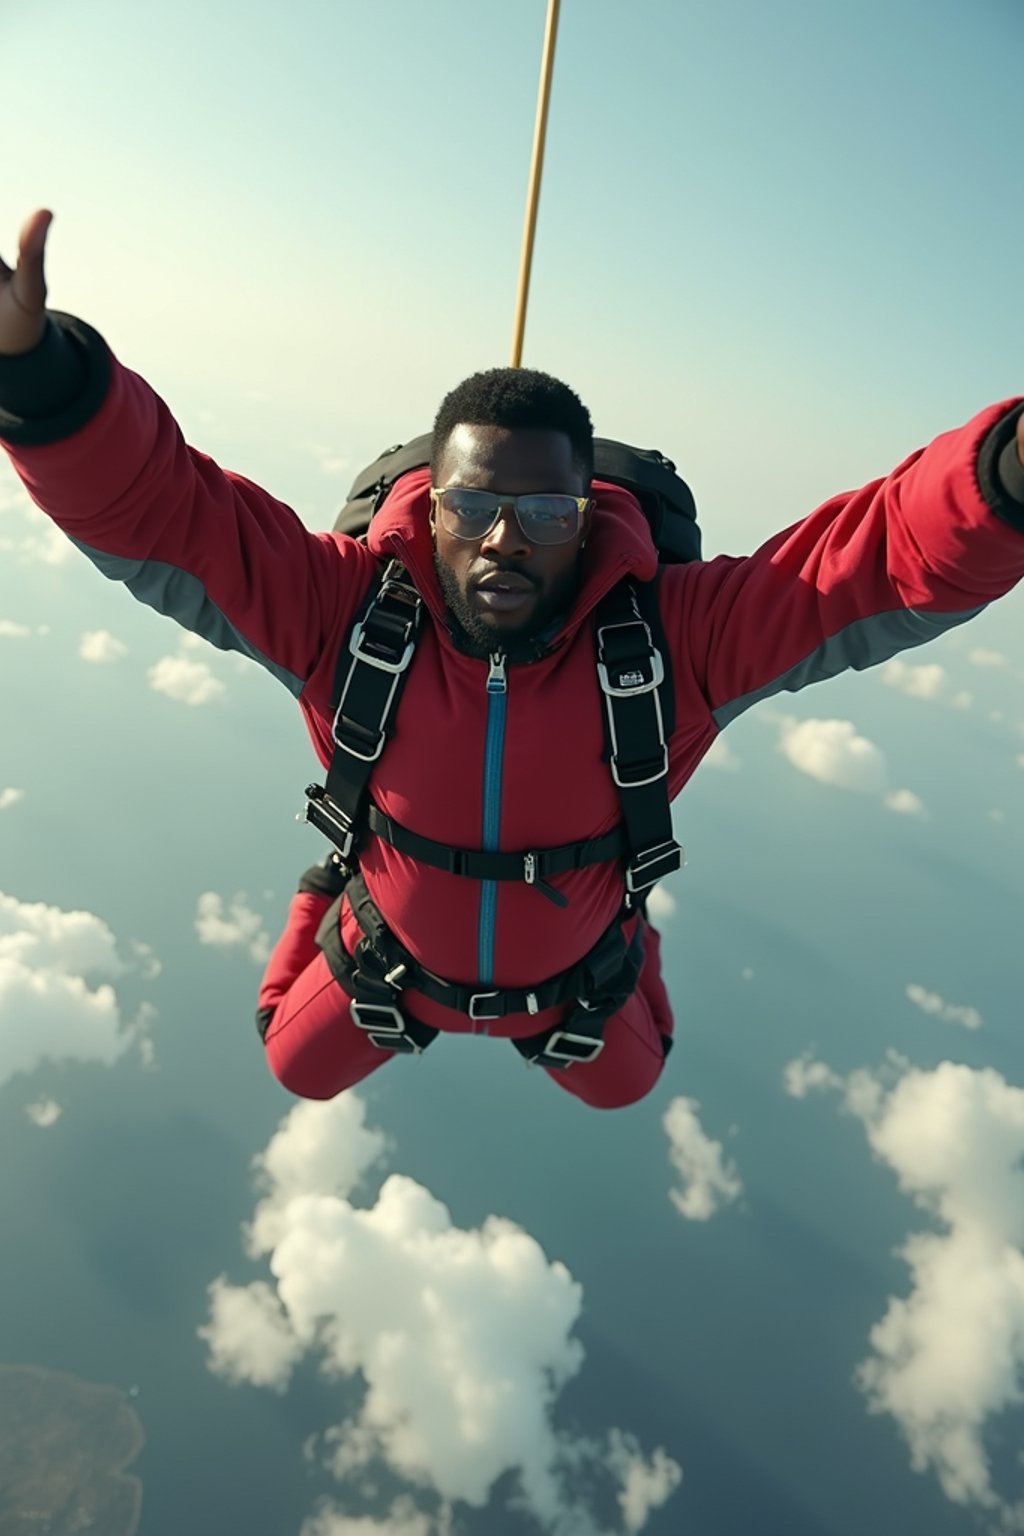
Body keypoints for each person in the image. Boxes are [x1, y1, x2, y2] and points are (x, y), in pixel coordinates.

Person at [2, 209, 1023, 1111]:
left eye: (542, 513)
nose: (503, 541)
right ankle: (326, 886)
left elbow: (873, 563)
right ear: (428, 511)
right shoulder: (345, 615)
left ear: (585, 523)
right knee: (291, 1062)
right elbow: (169, 514)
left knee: (632, 1080)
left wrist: (1008, 473)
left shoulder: (677, 641)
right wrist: (39, 378)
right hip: (388, 964)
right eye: (471, 508)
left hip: (577, 978)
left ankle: (630, 927)